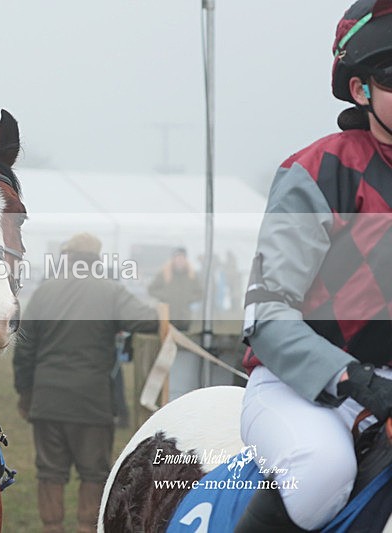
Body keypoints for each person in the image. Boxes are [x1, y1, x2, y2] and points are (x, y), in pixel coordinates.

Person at [238, 1, 392, 530]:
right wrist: (354, 379)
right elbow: (266, 316)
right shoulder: (318, 169)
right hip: (308, 390)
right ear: (361, 90)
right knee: (322, 472)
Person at [13, 233, 160, 533]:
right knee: (94, 475)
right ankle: (86, 528)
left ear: (66, 258)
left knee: (49, 474)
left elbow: (24, 349)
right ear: (96, 259)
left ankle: (52, 528)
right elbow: (148, 321)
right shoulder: (111, 292)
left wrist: (25, 393)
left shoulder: (44, 293)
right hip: (92, 402)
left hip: (48, 400)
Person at [147, 247, 202, 331]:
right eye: (177, 257)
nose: (179, 260)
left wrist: (189, 298)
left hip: (184, 318)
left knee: (183, 340)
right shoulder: (164, 273)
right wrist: (164, 296)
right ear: (173, 259)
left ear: (185, 259)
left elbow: (200, 293)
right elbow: (151, 289)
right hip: (167, 317)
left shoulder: (192, 275)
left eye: (182, 257)